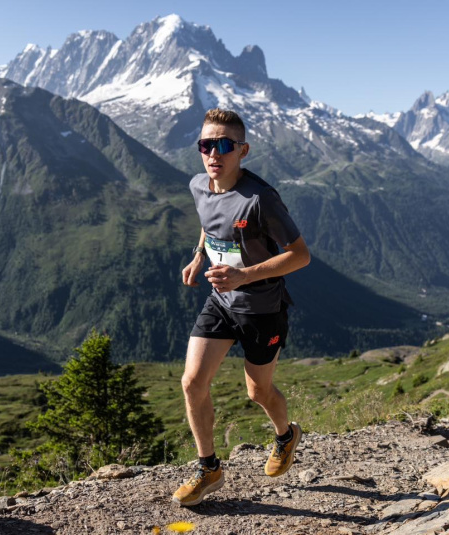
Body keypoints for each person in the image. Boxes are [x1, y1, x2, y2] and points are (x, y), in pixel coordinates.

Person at [172, 108, 311, 507]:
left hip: (262, 308)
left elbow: (300, 256)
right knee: (192, 381)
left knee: (258, 391)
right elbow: (209, 220)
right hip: (221, 301)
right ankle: (208, 467)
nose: (214, 153)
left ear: (242, 150)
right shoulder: (199, 185)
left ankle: (286, 435)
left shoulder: (261, 199)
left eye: (224, 146)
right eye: (206, 145)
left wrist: (244, 276)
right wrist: (199, 254)